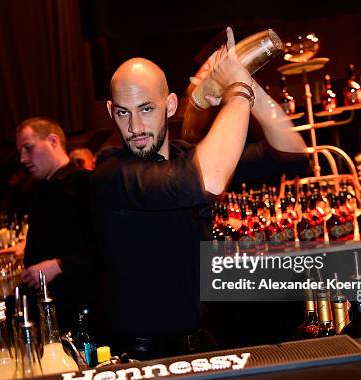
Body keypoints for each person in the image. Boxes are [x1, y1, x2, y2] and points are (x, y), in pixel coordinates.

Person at [90, 27, 307, 360]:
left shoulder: (186, 156)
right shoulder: (110, 173)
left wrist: (246, 81)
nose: (135, 127)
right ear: (110, 112)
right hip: (140, 356)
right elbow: (212, 179)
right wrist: (236, 91)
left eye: (146, 109)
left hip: (201, 345)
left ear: (171, 105)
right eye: (123, 112)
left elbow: (291, 154)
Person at [14, 117, 97, 331]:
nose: (23, 158)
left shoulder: (86, 183)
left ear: (52, 141)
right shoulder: (41, 189)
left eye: (28, 148)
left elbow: (104, 247)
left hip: (80, 313)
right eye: (20, 151)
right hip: (49, 312)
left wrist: (59, 265)